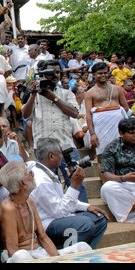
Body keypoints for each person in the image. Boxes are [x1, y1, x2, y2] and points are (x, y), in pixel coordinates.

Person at [0, 160, 92, 263]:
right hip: (18, 258)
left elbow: (43, 237)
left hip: (38, 254)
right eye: (29, 172)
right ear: (23, 183)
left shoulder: (29, 201)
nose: (33, 175)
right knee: (22, 256)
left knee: (83, 247)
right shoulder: (8, 207)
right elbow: (13, 251)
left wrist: (57, 259)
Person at [22, 59, 88, 202]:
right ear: (43, 74)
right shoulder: (34, 94)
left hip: (66, 145)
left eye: (57, 72)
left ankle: (84, 214)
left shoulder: (66, 93)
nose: (55, 75)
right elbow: (25, 115)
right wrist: (33, 94)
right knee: (47, 184)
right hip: (44, 147)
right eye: (51, 72)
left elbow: (74, 113)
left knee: (76, 181)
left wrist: (53, 97)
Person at [28, 138, 109, 249]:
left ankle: (85, 251)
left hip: (58, 217)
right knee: (85, 224)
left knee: (100, 219)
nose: (62, 157)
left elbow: (62, 201)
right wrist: (75, 184)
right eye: (60, 154)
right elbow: (59, 211)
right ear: (51, 156)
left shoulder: (47, 172)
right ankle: (67, 254)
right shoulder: (41, 180)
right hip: (47, 224)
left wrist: (87, 207)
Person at [100, 118, 135, 222]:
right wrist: (123, 178)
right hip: (123, 184)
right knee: (107, 188)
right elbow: (107, 175)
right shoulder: (111, 147)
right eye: (132, 133)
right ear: (121, 133)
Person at [85, 62, 130, 160]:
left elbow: (125, 108)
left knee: (121, 156)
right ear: (93, 75)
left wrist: (116, 115)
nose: (103, 75)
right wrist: (92, 134)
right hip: (101, 129)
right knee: (103, 158)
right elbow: (88, 115)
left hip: (117, 127)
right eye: (100, 73)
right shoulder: (90, 93)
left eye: (105, 73)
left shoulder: (117, 89)